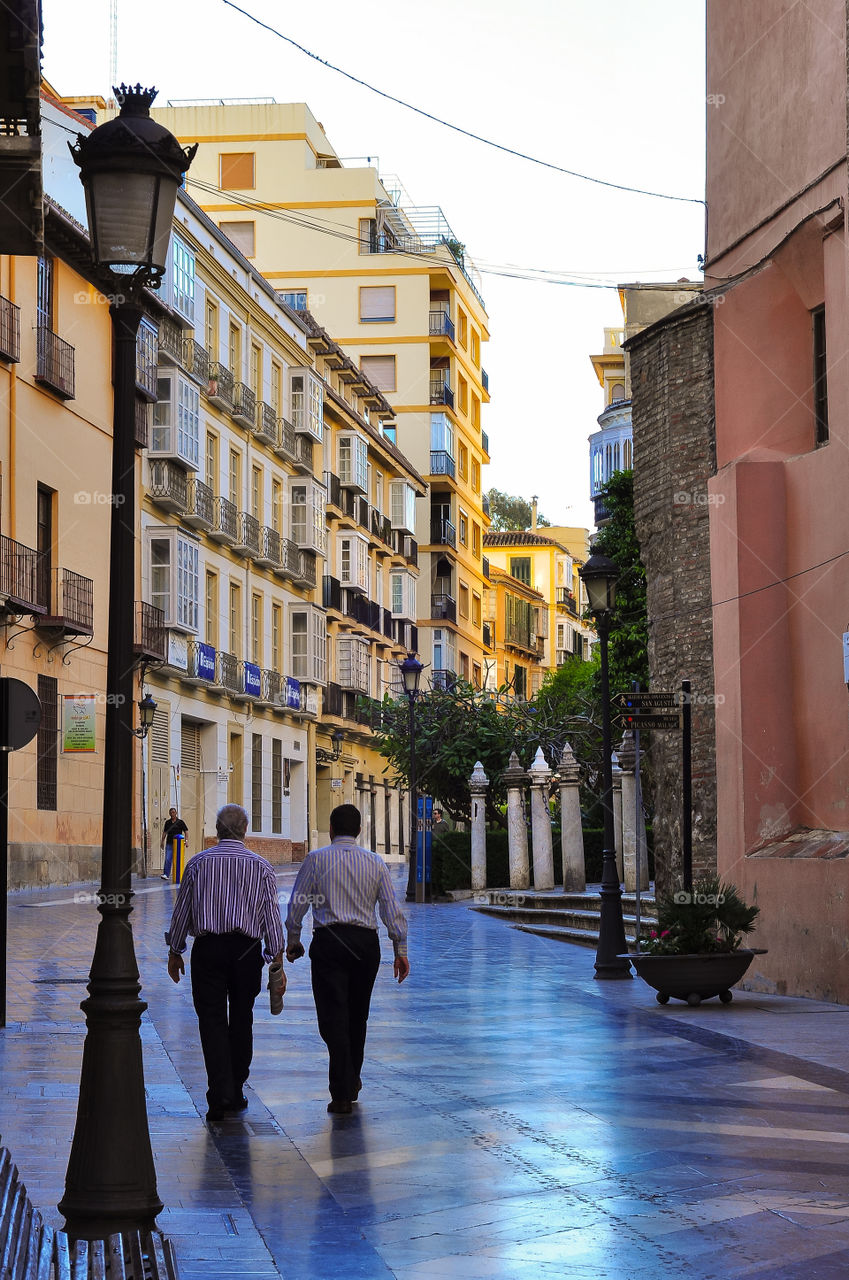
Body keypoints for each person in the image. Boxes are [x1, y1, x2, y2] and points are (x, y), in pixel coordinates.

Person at [286, 803, 409, 1115]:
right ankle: (350, 1079)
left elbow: (298, 902)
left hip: (329, 943)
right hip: (365, 945)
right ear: (358, 831)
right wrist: (400, 950)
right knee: (358, 1016)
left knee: (332, 1018)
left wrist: (293, 939)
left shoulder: (315, 859)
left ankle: (342, 1090)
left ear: (331, 829)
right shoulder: (375, 863)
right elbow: (391, 909)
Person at [166, 803, 284, 1122]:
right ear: (244, 829)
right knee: (242, 1016)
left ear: (216, 829)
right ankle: (236, 1085)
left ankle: (220, 1095)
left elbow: (183, 910)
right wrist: (277, 956)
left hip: (209, 948)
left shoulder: (197, 864)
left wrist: (175, 950)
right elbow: (271, 915)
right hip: (247, 951)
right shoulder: (261, 867)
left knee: (212, 1020)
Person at [161, 806, 188, 880]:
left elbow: (186, 831)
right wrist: (162, 841)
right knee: (168, 859)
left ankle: (178, 875)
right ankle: (166, 874)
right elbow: (165, 832)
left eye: (173, 812)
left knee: (178, 859)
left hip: (178, 844)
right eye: (171, 813)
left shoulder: (180, 822)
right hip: (169, 843)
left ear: (176, 813)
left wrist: (186, 841)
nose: (172, 814)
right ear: (169, 814)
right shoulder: (167, 822)